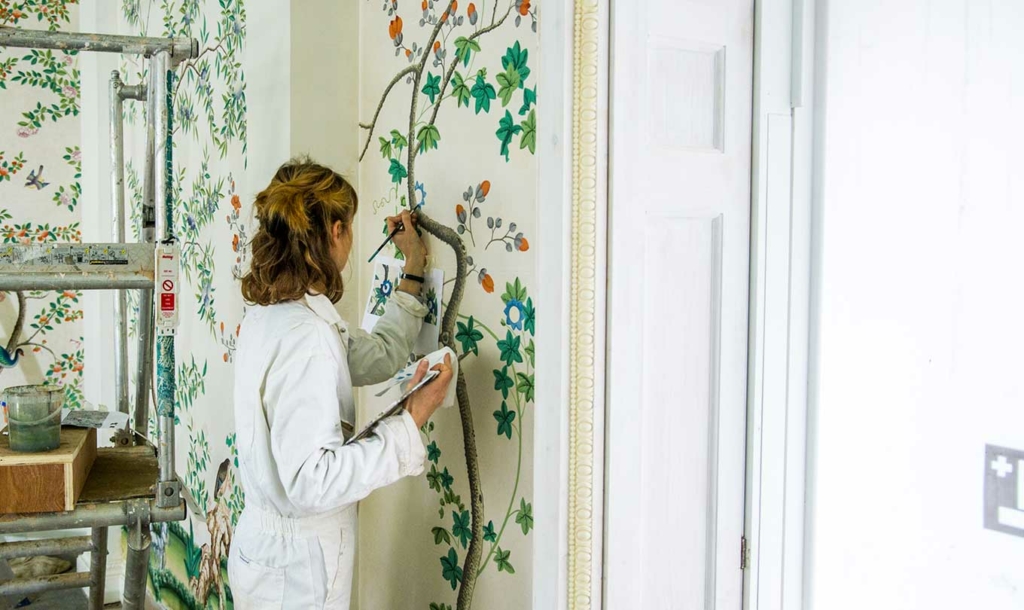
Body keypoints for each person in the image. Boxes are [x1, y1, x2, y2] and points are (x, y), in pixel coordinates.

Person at [227, 158, 452, 609]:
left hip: (270, 556)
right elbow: (313, 482)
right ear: (335, 232)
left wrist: (413, 266)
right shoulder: (304, 338)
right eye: (349, 226)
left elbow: (379, 355)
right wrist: (412, 420)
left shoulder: (277, 315)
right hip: (297, 574)